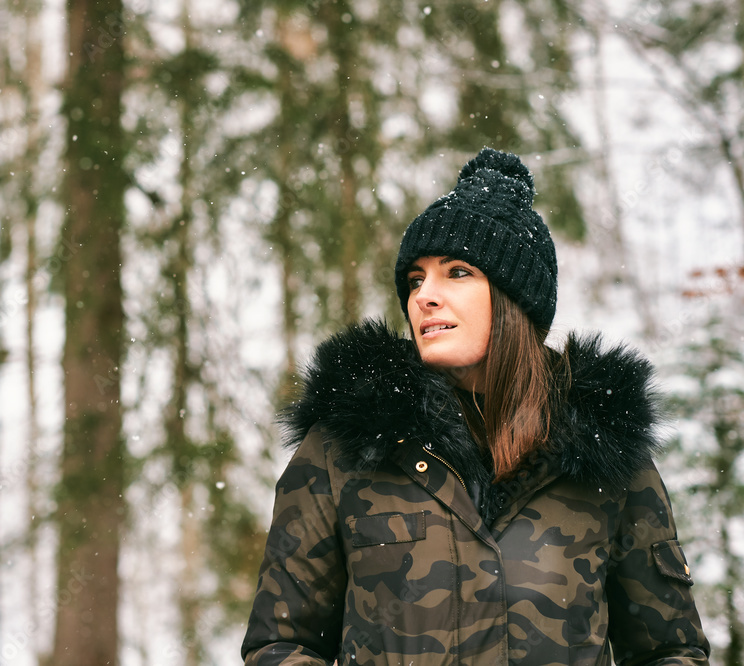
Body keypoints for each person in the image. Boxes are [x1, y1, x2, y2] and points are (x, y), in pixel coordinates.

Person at [240, 148, 710, 665]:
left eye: (456, 272)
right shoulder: (346, 446)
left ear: (516, 299)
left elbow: (671, 650)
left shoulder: (606, 454)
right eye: (416, 279)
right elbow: (281, 644)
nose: (423, 296)